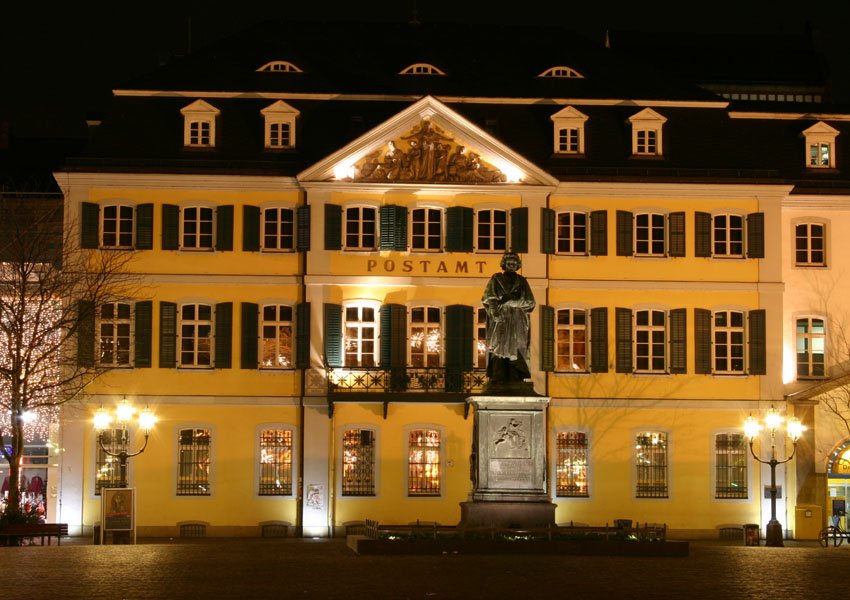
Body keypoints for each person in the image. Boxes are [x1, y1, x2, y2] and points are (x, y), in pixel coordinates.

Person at [482, 252, 535, 385]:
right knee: (499, 345)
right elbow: (489, 298)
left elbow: (530, 302)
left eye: (514, 263)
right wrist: (495, 313)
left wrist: (513, 302)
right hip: (501, 319)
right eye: (509, 262)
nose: (511, 265)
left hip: (518, 320)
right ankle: (498, 374)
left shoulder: (522, 281)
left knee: (518, 346)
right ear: (504, 265)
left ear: (518, 265)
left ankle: (516, 375)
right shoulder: (496, 279)